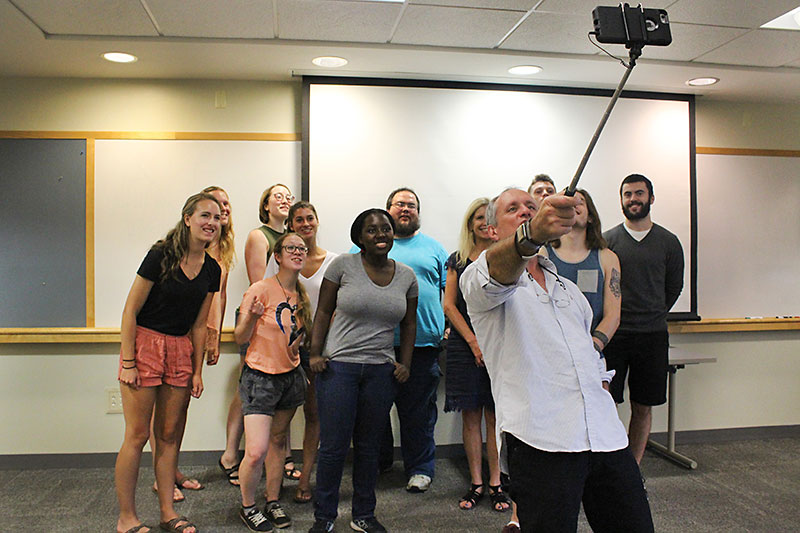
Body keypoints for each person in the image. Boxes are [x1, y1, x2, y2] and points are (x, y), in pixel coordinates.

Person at [461, 187, 653, 533]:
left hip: (604, 434)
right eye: (513, 209)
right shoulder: (478, 278)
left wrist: (601, 380)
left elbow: (586, 348)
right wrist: (531, 234)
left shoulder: (569, 289)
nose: (525, 211)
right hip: (542, 439)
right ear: (491, 230)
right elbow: (499, 271)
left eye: (531, 208)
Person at [115, 192, 222, 533]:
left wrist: (197, 371)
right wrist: (129, 361)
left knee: (169, 435)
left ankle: (167, 513)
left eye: (218, 218)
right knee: (136, 436)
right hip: (144, 344)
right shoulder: (160, 255)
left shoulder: (212, 269)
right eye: (205, 215)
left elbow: (199, 325)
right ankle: (126, 518)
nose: (212, 223)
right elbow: (130, 311)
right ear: (187, 218)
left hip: (180, 351)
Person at [309, 208, 417, 533]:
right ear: (360, 237)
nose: (380, 235)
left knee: (370, 447)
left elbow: (409, 323)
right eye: (372, 230)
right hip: (338, 368)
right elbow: (324, 310)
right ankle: (325, 517)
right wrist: (315, 353)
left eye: (385, 229)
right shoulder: (343, 265)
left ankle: (363, 515)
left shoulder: (407, 276)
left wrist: (406, 363)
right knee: (333, 447)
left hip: (380, 372)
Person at [150, 185, 235, 503]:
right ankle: (162, 478)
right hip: (167, 336)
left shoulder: (221, 249)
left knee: (180, 409)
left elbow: (218, 296)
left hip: (197, 334)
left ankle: (172, 470)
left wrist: (214, 334)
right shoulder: (180, 248)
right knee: (163, 412)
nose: (221, 211)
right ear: (191, 217)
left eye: (225, 206)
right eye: (214, 207)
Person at [603, 174, 684, 464]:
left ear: (651, 197)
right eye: (627, 194)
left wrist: (652, 312)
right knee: (605, 402)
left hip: (652, 336)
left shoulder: (668, 242)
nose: (633, 199)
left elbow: (673, 287)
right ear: (621, 200)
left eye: (639, 193)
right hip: (614, 336)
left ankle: (633, 470)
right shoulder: (608, 241)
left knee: (643, 406)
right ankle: (607, 465)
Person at [235, 232, 311, 532]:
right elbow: (240, 337)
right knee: (255, 451)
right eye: (290, 247)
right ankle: (248, 506)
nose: (297, 252)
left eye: (302, 248)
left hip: (289, 378)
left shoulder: (302, 294)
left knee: (279, 442)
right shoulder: (260, 289)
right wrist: (252, 318)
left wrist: (298, 345)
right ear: (277, 256)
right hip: (260, 378)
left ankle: (272, 500)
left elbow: (297, 335)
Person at [219, 183, 294, 487]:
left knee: (284, 385)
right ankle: (229, 455)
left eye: (288, 197)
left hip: (285, 319)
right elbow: (258, 286)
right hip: (260, 317)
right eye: (278, 196)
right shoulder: (258, 236)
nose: (284, 200)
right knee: (248, 387)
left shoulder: (291, 239)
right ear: (265, 205)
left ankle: (284, 456)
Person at [264, 201, 338, 505]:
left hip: (320, 350)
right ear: (290, 226)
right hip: (285, 349)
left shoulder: (334, 261)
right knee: (279, 419)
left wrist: (316, 338)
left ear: (318, 222)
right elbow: (270, 294)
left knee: (314, 415)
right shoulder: (278, 258)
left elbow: (337, 307)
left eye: (310, 218)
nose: (305, 223)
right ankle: (274, 480)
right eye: (298, 220)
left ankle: (306, 478)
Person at [378, 187, 448, 493]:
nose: (405, 209)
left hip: (423, 347)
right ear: (387, 210)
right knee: (374, 412)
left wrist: (449, 326)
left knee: (418, 413)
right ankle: (378, 464)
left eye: (411, 205)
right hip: (377, 345)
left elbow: (452, 291)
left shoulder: (435, 249)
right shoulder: (367, 247)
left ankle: (420, 469)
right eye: (399, 204)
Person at [442, 198, 510, 512]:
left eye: (489, 217)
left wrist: (487, 343)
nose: (484, 222)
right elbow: (449, 306)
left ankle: (496, 482)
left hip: (500, 343)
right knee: (471, 417)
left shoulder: (506, 256)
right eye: (478, 217)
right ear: (470, 223)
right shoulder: (457, 259)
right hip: (463, 345)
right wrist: (472, 342)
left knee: (496, 417)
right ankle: (476, 483)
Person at [544, 188, 621, 354]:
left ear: (591, 216)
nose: (573, 205)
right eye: (568, 202)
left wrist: (592, 347)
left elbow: (613, 315)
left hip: (590, 352)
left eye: (579, 202)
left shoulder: (608, 258)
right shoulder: (542, 255)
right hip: (550, 351)